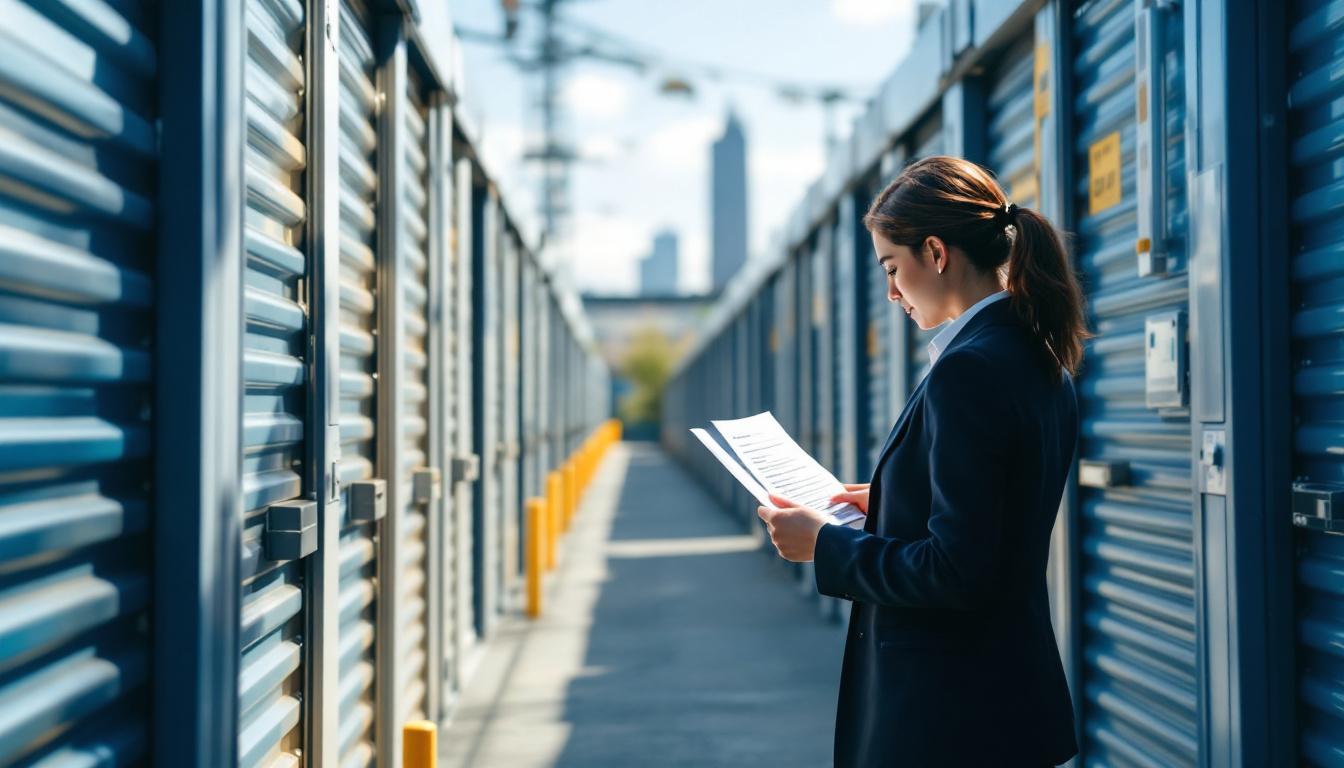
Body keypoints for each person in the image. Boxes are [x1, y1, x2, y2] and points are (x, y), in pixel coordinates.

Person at [756, 155, 1088, 767]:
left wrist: (823, 544)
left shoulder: (968, 370)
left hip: (947, 715)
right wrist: (885, 502)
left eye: (892, 267)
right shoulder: (1033, 352)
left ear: (935, 253)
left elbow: (956, 571)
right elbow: (995, 522)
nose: (889, 293)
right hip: (1002, 698)